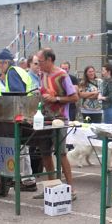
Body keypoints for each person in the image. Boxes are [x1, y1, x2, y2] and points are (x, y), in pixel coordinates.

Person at [34, 48, 79, 200]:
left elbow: (74, 97)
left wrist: (56, 99)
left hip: (60, 119)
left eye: (40, 62)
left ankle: (71, 189)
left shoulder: (62, 75)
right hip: (44, 117)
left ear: (49, 60)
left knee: (61, 153)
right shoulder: (41, 74)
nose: (38, 65)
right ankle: (51, 186)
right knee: (45, 153)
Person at [0, 48, 37, 191]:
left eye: (0, 64)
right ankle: (26, 179)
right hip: (26, 113)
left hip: (20, 115)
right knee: (22, 148)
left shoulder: (12, 72)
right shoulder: (17, 71)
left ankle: (26, 180)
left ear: (5, 62)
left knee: (20, 149)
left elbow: (17, 94)